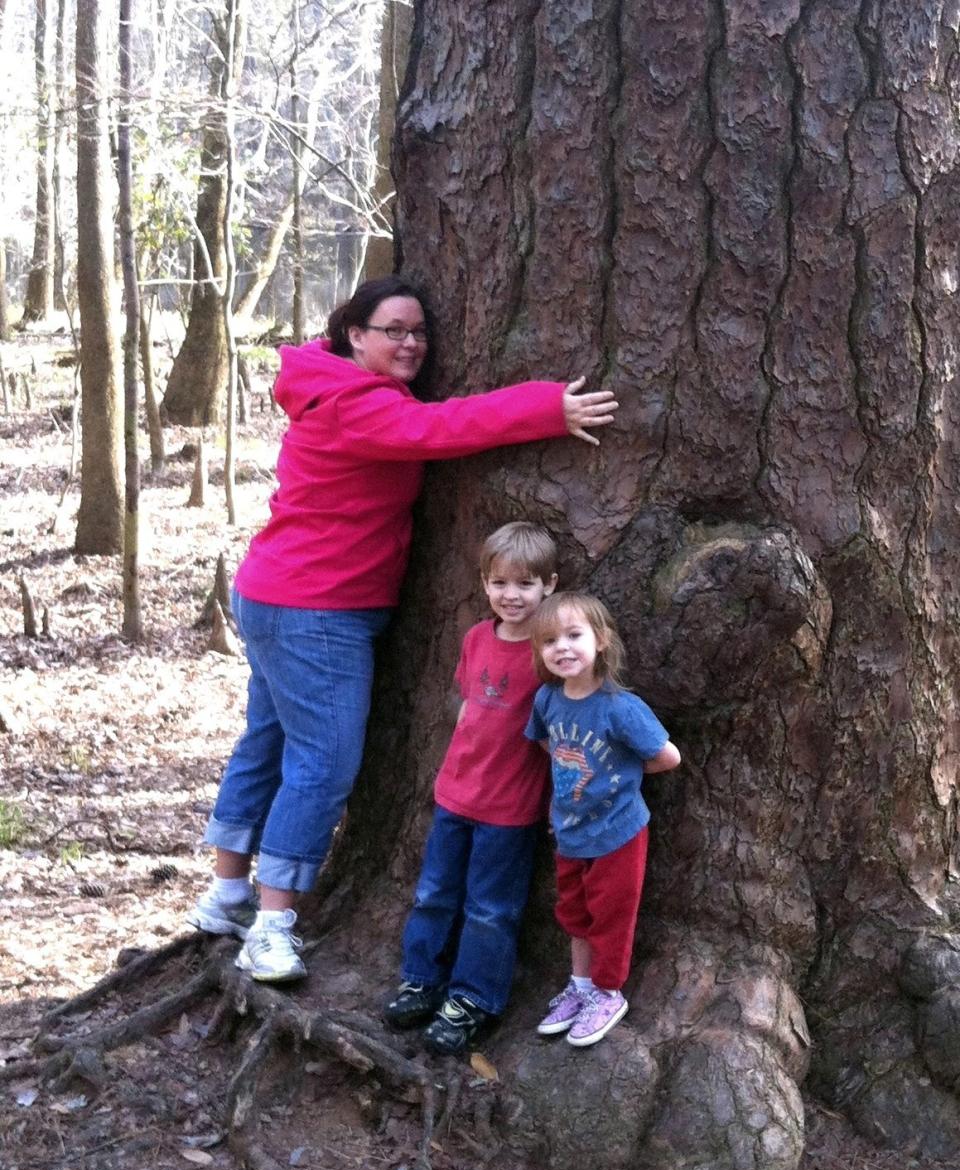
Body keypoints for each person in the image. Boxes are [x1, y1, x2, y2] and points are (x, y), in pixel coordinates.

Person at [187, 276, 618, 984]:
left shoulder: (330, 387)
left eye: (419, 331)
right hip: (314, 609)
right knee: (322, 764)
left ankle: (227, 894)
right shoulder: (358, 407)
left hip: (276, 593)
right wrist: (549, 407)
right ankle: (270, 925)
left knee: (266, 743)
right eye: (394, 329)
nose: (412, 343)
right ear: (354, 335)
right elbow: (444, 429)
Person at [383, 521, 559, 1054]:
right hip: (455, 795)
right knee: (435, 893)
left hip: (511, 808)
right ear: (484, 584)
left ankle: (473, 998)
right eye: (501, 583)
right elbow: (469, 704)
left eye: (526, 584)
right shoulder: (476, 638)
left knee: (490, 908)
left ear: (549, 586)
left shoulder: (549, 650)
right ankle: (421, 979)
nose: (512, 595)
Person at [525, 592, 681, 1046]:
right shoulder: (547, 700)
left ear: (601, 639)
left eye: (574, 635)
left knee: (610, 916)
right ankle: (581, 986)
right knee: (574, 913)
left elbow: (668, 757)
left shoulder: (620, 707)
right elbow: (545, 745)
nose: (563, 647)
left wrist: (626, 776)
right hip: (570, 833)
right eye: (550, 640)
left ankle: (609, 992)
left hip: (617, 834)